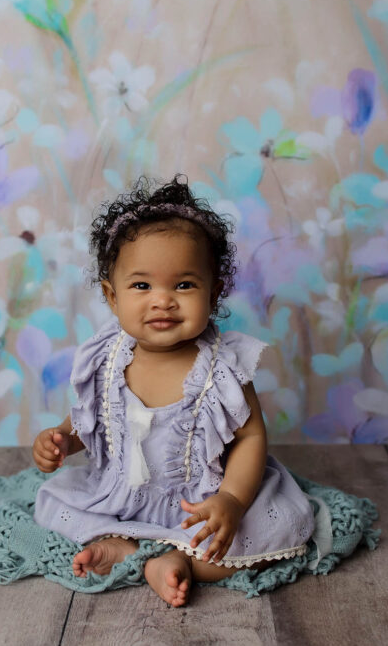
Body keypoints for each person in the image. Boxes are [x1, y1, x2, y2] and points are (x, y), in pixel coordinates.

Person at [32, 175, 315, 607]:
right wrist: (60, 440)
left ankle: (171, 560)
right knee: (52, 507)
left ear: (214, 292)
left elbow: (250, 437)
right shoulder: (105, 359)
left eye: (183, 285)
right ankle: (124, 547)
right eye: (142, 286)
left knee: (269, 535)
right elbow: (91, 419)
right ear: (111, 296)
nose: (162, 300)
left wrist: (232, 501)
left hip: (200, 506)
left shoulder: (222, 367)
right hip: (119, 498)